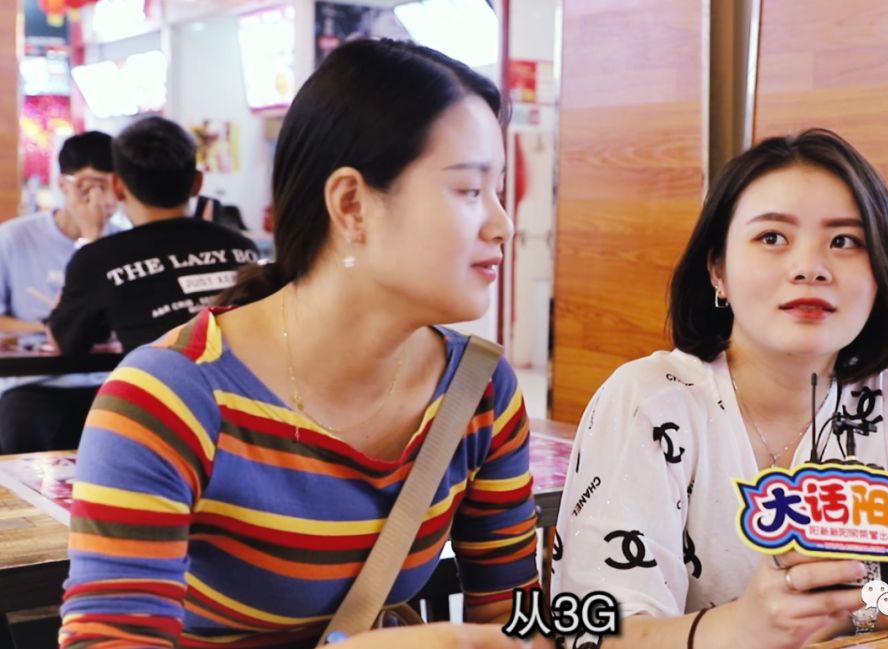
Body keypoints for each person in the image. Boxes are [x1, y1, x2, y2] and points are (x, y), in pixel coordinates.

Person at [60, 39, 540, 649]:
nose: (503, 224)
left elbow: (516, 616)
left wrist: (644, 628)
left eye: (500, 191)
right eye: (470, 191)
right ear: (352, 204)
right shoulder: (170, 398)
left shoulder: (478, 389)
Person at [552, 129, 888, 649]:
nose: (810, 268)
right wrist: (742, 627)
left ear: (880, 274)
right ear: (718, 269)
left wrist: (856, 605)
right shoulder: (648, 402)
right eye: (772, 237)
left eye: (844, 242)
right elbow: (595, 633)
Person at [47, 116, 259, 354]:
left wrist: (89, 237)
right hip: (249, 379)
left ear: (117, 187)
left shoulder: (99, 259)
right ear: (197, 183)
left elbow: (62, 342)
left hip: (155, 379)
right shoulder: (244, 249)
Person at [0, 131, 117, 453]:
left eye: (114, 186)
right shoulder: (14, 238)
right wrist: (50, 328)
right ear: (64, 185)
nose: (105, 199)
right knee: (22, 435)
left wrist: (94, 238)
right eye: (92, 186)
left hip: (107, 379)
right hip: (35, 382)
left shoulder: (122, 242)